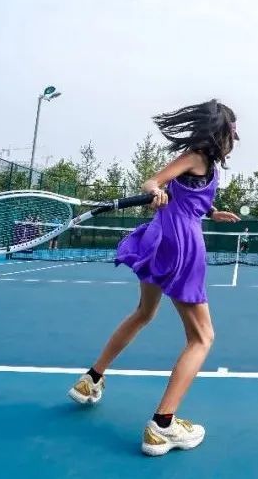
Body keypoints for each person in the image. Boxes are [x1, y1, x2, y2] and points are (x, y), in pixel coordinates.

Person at [67, 100, 241, 456]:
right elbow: (154, 181)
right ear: (219, 131)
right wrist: (156, 191)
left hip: (160, 239)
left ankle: (91, 380)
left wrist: (212, 211)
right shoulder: (195, 156)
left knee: (144, 313)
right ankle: (162, 426)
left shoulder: (207, 166)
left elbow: (190, 192)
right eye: (232, 130)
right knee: (202, 337)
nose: (235, 137)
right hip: (180, 243)